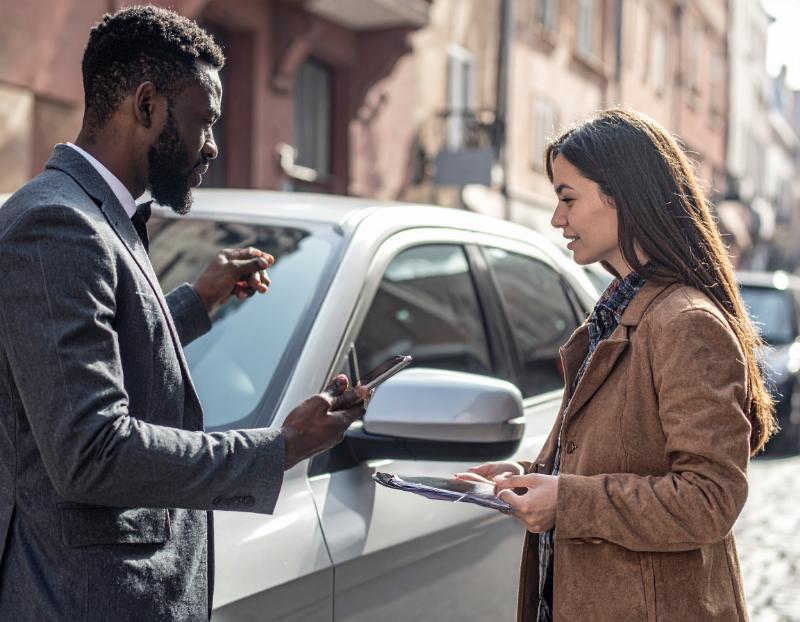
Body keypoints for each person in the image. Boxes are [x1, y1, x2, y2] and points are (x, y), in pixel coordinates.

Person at [0, 6, 367, 621]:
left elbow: (100, 348)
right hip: (79, 601)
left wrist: (197, 302)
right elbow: (91, 451)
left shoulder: (92, 214)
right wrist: (279, 448)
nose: (214, 145)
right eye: (204, 121)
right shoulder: (58, 224)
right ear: (146, 106)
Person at [456, 109, 776, 621]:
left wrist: (567, 501)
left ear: (622, 195)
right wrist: (533, 476)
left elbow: (710, 499)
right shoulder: (620, 308)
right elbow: (621, 454)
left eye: (567, 198)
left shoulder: (685, 322)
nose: (557, 219)